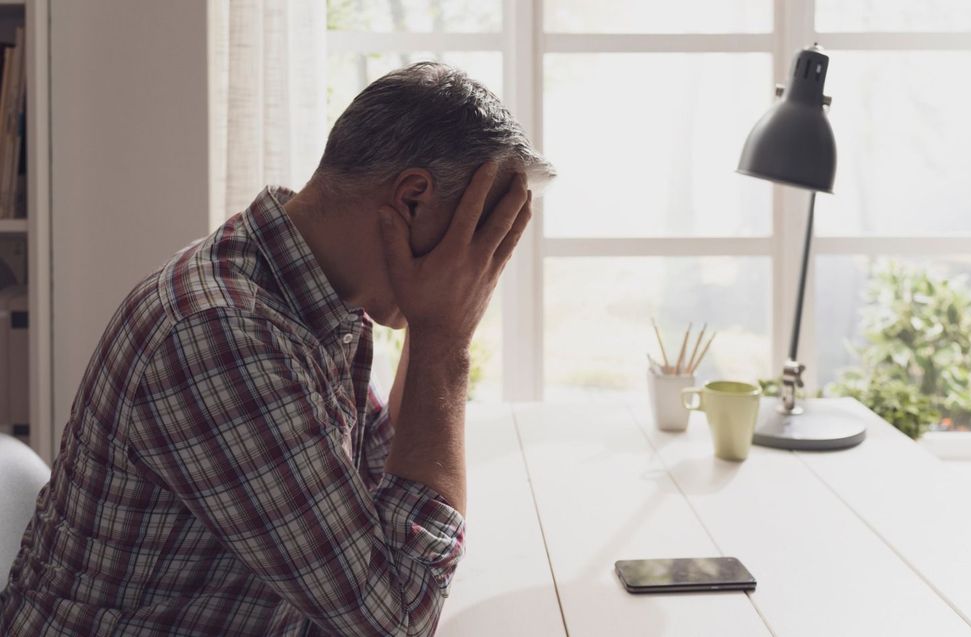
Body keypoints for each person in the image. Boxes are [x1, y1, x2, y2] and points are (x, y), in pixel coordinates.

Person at [0, 62, 555, 636]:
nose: (484, 267)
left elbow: (380, 510)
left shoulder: (311, 297)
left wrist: (431, 323)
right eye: (485, 232)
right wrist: (444, 338)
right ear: (412, 199)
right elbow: (395, 619)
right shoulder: (221, 337)